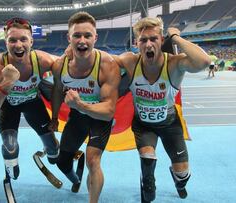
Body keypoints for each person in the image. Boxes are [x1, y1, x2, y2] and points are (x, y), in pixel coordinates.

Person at [113, 17, 211, 202]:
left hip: (170, 125)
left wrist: (175, 37)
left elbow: (204, 62)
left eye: (153, 39)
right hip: (143, 125)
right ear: (137, 43)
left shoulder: (174, 64)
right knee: (148, 159)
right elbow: (102, 62)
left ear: (161, 41)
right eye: (143, 40)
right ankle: (147, 184)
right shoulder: (130, 61)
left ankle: (178, 180)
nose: (148, 44)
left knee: (183, 175)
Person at [49, 12, 120, 203]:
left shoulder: (107, 66)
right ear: (68, 38)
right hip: (78, 118)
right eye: (77, 36)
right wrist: (55, 117)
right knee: (62, 161)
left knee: (93, 160)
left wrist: (80, 104)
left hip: (100, 118)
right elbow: (57, 90)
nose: (82, 40)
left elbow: (109, 112)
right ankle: (76, 176)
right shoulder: (59, 66)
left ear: (95, 38)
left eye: (87, 35)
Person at [0, 17, 60, 183]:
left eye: (23, 39)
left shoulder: (44, 61)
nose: (18, 45)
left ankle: (51, 150)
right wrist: (7, 84)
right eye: (12, 40)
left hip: (34, 104)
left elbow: (72, 65)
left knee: (54, 152)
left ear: (31, 41)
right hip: (9, 106)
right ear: (6, 43)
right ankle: (10, 168)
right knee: (10, 146)